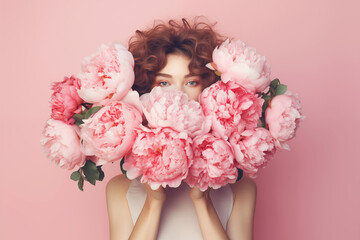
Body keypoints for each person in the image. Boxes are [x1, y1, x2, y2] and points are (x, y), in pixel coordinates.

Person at [106, 17, 257, 240]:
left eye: (192, 82)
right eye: (164, 83)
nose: (178, 94)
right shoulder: (120, 189)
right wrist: (153, 203)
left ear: (210, 91)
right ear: (144, 92)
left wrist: (202, 201)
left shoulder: (240, 188)